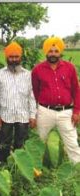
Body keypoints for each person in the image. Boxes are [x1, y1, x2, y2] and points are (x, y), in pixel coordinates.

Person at [32, 36, 80, 164]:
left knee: (72, 142)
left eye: (56, 51)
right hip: (45, 112)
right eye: (50, 51)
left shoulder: (69, 68)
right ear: (46, 52)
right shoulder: (37, 70)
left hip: (66, 112)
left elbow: (76, 90)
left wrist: (76, 111)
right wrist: (37, 110)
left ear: (60, 52)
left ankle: (76, 169)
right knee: (40, 141)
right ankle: (38, 169)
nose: (53, 54)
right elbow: (35, 91)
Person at [0, 42, 37, 165]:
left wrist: (32, 115)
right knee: (3, 145)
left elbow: (31, 96)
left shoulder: (27, 74)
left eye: (16, 57)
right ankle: (2, 166)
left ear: (20, 57)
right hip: (5, 116)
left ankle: (18, 168)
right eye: (11, 57)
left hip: (23, 116)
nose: (14, 60)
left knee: (21, 144)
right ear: (7, 57)